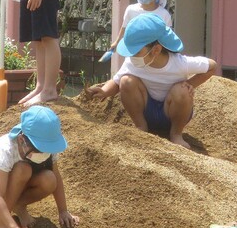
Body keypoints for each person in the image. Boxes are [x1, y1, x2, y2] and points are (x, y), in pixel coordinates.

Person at [87, 13, 216, 149]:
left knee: (182, 90)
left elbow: (212, 66)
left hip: (172, 112)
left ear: (156, 50)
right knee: (126, 81)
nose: (132, 56)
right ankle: (141, 127)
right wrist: (104, 91)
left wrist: (190, 84)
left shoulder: (179, 63)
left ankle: (176, 134)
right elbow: (117, 82)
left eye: (136, 52)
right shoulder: (131, 63)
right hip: (146, 110)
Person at [0, 105, 78, 228]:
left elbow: (56, 176)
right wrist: (12, 227)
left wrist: (63, 210)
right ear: (22, 140)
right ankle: (0, 225)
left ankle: (18, 205)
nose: (43, 154)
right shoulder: (7, 149)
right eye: (39, 149)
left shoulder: (48, 145)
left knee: (49, 179)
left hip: (21, 177)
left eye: (46, 150)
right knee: (23, 169)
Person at [103, 0, 172, 60]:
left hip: (155, 59)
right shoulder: (131, 10)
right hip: (133, 58)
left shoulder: (164, 15)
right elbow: (125, 28)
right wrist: (116, 42)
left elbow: (168, 39)